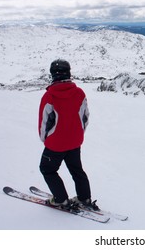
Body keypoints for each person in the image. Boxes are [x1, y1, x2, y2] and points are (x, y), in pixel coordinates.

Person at [38, 59, 98, 211]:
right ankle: (85, 198)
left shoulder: (49, 96)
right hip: (75, 141)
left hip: (56, 144)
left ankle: (60, 200)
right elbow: (85, 117)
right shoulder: (79, 93)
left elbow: (44, 123)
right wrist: (78, 135)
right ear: (69, 73)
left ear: (52, 75)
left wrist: (46, 140)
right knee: (76, 169)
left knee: (48, 169)